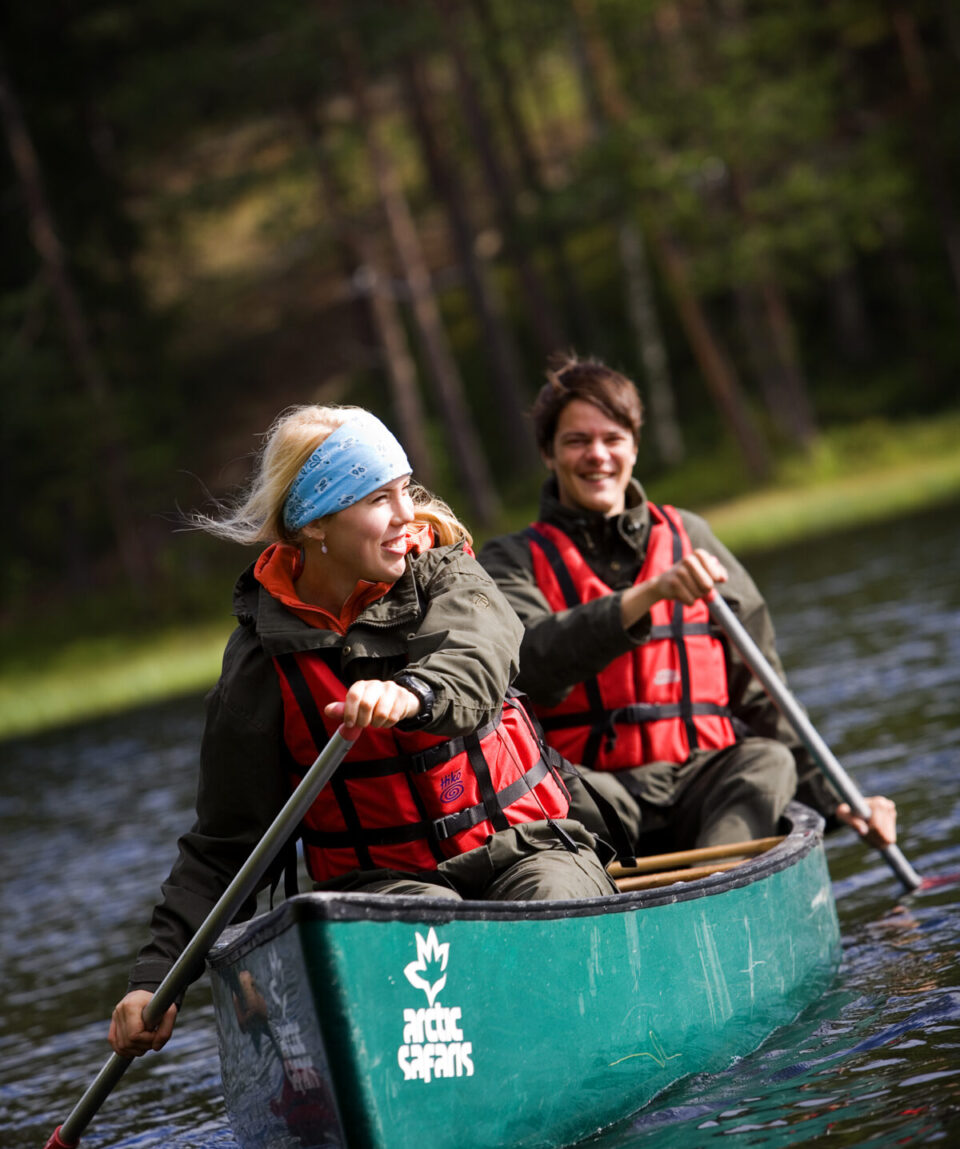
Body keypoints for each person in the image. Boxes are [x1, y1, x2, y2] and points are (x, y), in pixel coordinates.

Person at [109, 404, 616, 1059]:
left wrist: (413, 691)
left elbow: (483, 652)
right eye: (380, 498)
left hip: (529, 849)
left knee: (545, 906)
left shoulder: (445, 572)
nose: (408, 513)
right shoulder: (262, 667)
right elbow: (224, 846)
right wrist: (155, 980)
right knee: (418, 935)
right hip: (387, 886)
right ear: (316, 521)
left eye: (406, 488)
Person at [478, 354, 897, 858]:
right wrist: (648, 595)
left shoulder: (690, 537)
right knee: (533, 792)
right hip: (594, 792)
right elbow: (533, 661)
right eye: (576, 441)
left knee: (767, 761)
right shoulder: (510, 559)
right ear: (549, 454)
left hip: (701, 780)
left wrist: (836, 799)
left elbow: (762, 690)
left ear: (634, 446)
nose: (597, 455)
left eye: (612, 439)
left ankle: (718, 881)